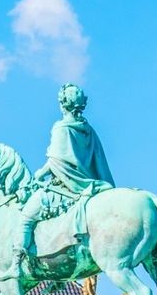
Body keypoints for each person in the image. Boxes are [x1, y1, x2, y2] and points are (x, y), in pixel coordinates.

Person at [18, 84, 115, 268]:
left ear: (63, 104)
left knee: (26, 217)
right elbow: (97, 161)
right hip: (91, 184)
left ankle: (18, 262)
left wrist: (39, 174)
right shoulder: (88, 130)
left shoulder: (61, 128)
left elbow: (57, 161)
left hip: (67, 188)